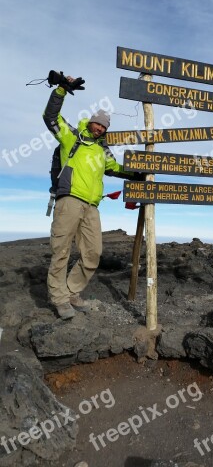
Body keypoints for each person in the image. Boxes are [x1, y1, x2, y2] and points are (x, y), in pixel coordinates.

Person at [43, 76, 135, 320]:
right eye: (99, 125)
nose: (101, 129)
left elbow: (115, 168)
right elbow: (50, 118)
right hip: (69, 200)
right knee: (61, 251)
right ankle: (60, 300)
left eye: (105, 127)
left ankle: (72, 292)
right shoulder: (71, 136)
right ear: (92, 122)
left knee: (93, 254)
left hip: (93, 205)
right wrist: (62, 89)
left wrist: (139, 172)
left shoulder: (103, 150)